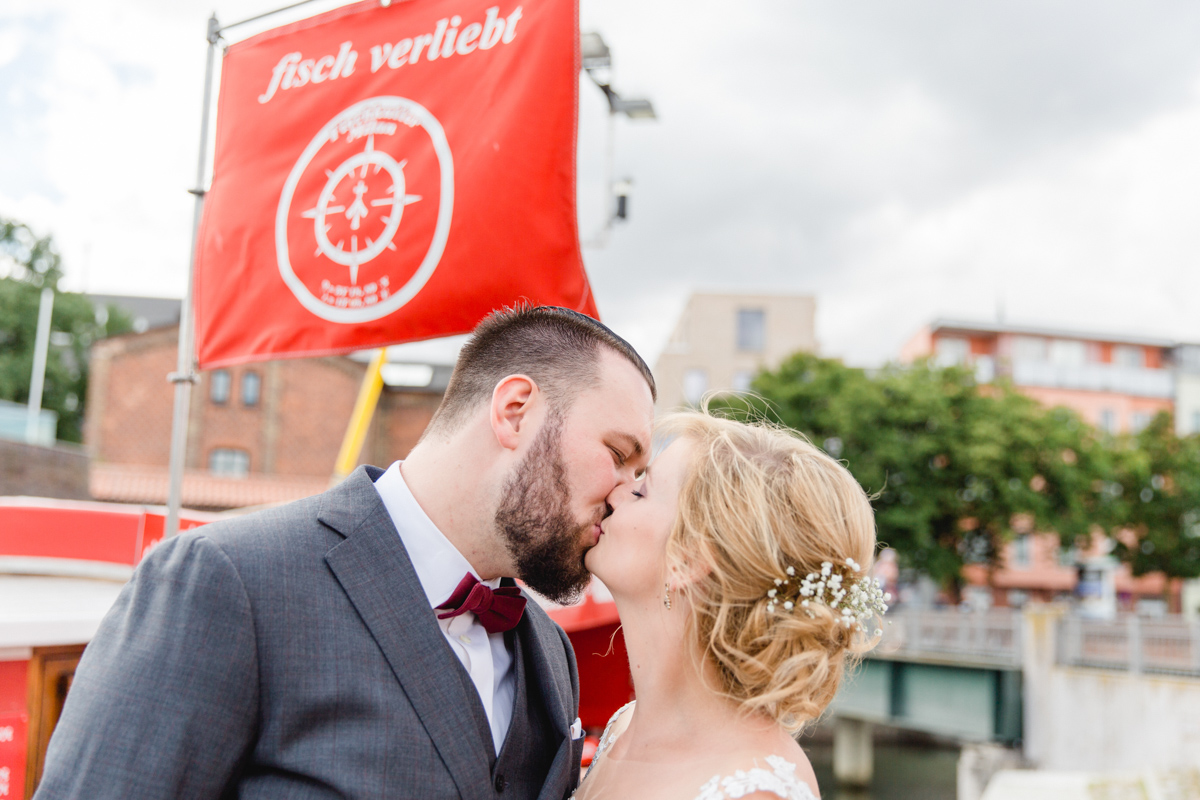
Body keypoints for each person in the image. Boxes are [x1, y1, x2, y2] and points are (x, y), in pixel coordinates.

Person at [34, 305, 656, 800]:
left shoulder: (549, 651)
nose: (625, 494)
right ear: (515, 411)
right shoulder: (228, 582)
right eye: (619, 454)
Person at [575, 411, 887, 800]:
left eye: (641, 491)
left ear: (689, 559)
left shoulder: (753, 791)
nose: (616, 493)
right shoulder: (622, 727)